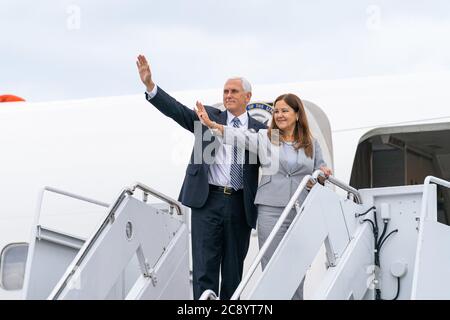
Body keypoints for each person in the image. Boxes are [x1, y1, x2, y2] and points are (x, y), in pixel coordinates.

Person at [136, 55, 266, 299]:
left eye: (234, 91)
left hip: (240, 205)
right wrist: (151, 87)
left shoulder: (261, 130)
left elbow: (280, 157)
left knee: (233, 273)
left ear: (248, 97)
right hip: (208, 202)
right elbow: (178, 112)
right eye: (226, 91)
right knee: (204, 270)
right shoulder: (209, 118)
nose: (228, 95)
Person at [195, 93, 332, 299]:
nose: (279, 115)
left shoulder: (310, 143)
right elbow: (238, 136)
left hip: (300, 210)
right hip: (271, 209)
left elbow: (320, 170)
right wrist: (213, 125)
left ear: (297, 114)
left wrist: (322, 176)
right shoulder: (267, 137)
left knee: (298, 266)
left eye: (285, 110)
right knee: (272, 266)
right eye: (276, 111)